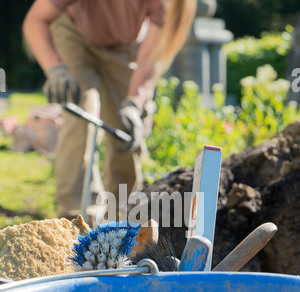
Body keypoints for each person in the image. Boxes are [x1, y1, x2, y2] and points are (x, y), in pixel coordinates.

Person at [23, 0, 196, 222]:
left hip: (125, 45)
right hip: (73, 31)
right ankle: (74, 222)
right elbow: (35, 20)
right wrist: (55, 68)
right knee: (81, 113)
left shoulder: (170, 3)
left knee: (126, 131)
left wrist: (135, 103)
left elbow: (152, 59)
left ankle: (120, 221)